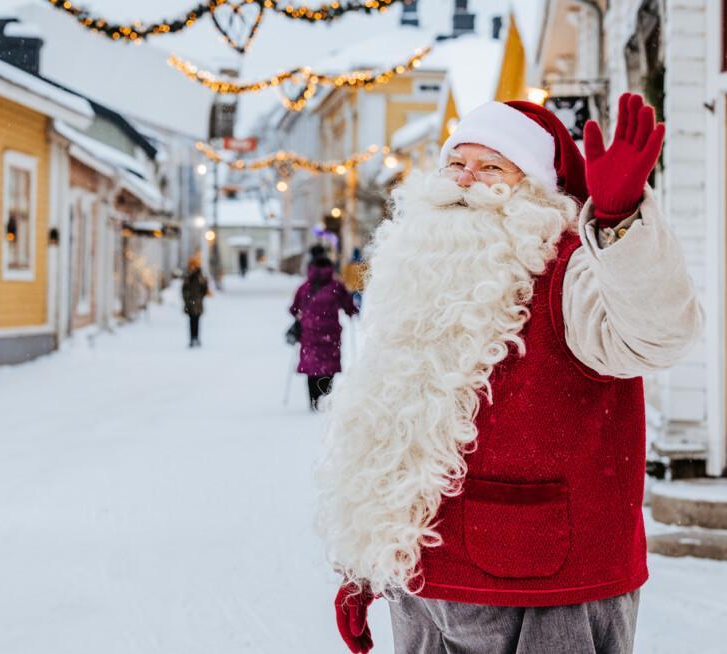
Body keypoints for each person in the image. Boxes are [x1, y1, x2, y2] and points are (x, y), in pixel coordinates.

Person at [317, 94, 702, 653]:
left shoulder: (572, 268)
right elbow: (387, 431)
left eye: (491, 166)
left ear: (533, 189)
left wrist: (621, 224)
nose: (465, 180)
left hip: (548, 586)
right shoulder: (417, 270)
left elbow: (657, 334)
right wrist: (364, 565)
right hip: (423, 586)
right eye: (456, 164)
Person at [290, 256, 359, 411]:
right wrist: (352, 312)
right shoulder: (336, 286)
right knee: (328, 366)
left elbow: (294, 309)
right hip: (331, 334)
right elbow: (348, 306)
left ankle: (313, 401)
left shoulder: (304, 287)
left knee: (312, 366)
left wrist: (303, 315)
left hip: (309, 333)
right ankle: (326, 398)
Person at [181, 255, 209, 348]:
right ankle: (192, 338)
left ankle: (196, 337)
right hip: (190, 302)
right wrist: (186, 298)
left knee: (197, 321)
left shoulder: (200, 277)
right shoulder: (188, 277)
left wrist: (200, 297)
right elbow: (184, 289)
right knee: (191, 321)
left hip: (197, 302)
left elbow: (205, 289)